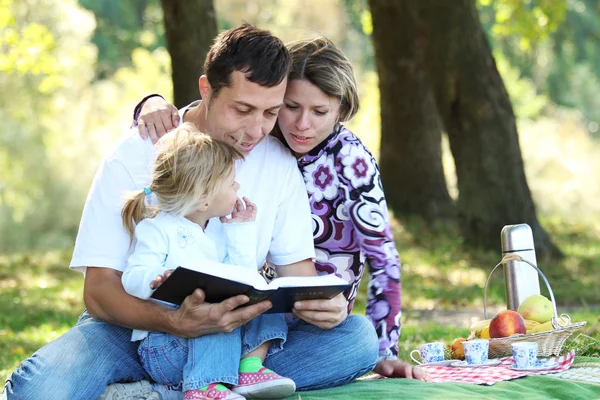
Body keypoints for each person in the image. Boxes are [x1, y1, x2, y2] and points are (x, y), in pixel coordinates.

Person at [4, 24, 379, 400]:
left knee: (357, 340)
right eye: (243, 109)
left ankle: (162, 393)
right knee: (38, 392)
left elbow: (298, 276)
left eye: (270, 113)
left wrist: (324, 306)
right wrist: (175, 322)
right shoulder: (138, 151)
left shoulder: (278, 164)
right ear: (206, 89)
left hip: (233, 337)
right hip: (136, 332)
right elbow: (100, 293)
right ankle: (198, 387)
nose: (255, 130)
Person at [136, 37, 425, 380]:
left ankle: (230, 376)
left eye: (320, 112)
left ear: (341, 111)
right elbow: (217, 109)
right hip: (242, 310)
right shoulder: (252, 138)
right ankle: (225, 376)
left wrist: (385, 350)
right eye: (289, 107)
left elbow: (384, 258)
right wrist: (149, 104)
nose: (302, 125)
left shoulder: (350, 162)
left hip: (311, 316)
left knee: (358, 339)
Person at [120, 123, 296, 399]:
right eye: (231, 183)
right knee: (215, 313)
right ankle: (203, 389)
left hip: (215, 341)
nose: (238, 186)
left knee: (264, 302)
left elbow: (243, 275)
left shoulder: (217, 229)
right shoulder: (158, 229)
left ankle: (250, 366)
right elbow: (132, 277)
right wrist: (156, 278)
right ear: (203, 200)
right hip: (166, 347)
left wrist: (240, 229)